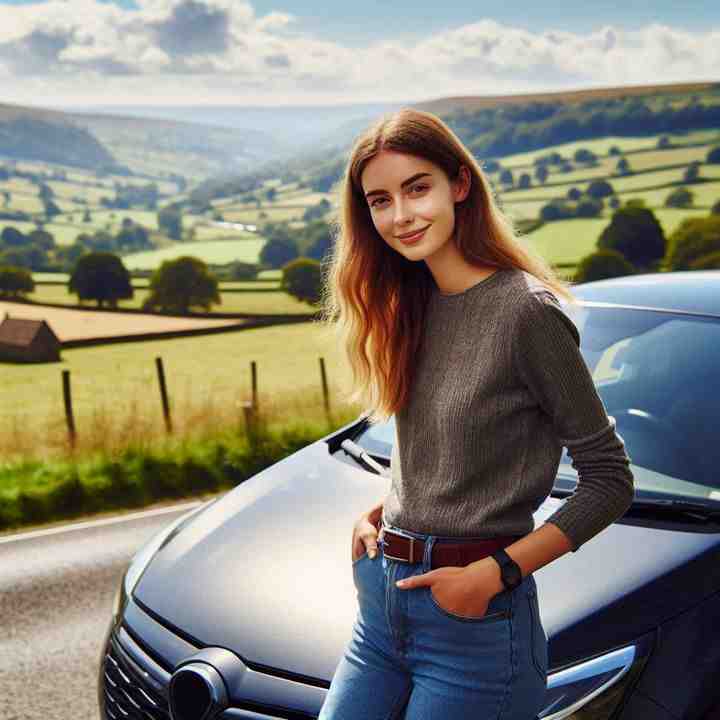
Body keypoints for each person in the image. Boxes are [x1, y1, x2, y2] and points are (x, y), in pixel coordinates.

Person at [316, 108, 635, 720]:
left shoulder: (526, 313)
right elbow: (446, 453)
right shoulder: (408, 304)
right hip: (380, 612)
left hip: (474, 629)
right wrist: (381, 515)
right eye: (380, 200)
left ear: (459, 185)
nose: (401, 216)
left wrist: (497, 573)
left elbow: (611, 480)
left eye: (417, 188)